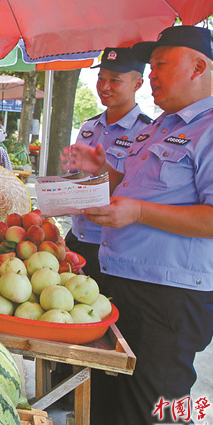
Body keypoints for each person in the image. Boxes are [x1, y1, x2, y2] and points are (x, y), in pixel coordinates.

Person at [61, 25, 213, 425]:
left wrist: (138, 212)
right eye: (150, 66)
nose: (151, 74)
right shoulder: (155, 129)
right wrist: (103, 169)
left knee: (154, 420)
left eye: (160, 64)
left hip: (167, 298)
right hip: (121, 283)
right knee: (105, 402)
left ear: (197, 66)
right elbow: (130, 189)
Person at [65, 47, 152, 282]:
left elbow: (141, 194)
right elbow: (75, 177)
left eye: (115, 80)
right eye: (101, 78)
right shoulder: (89, 127)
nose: (104, 86)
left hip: (113, 248)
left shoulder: (147, 133)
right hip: (76, 238)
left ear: (137, 84)